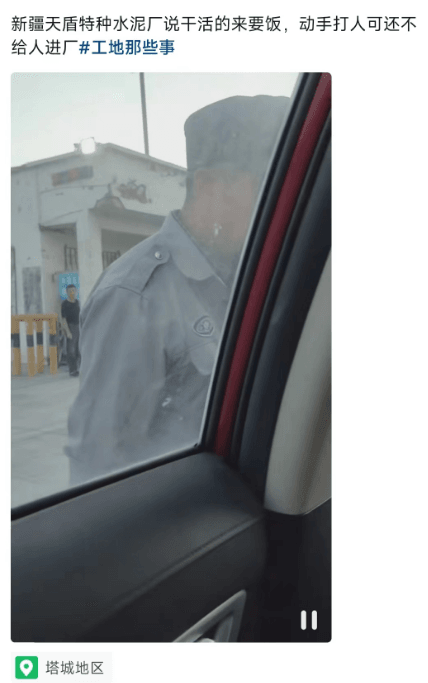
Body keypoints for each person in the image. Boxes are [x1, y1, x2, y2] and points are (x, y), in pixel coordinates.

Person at [66, 94, 290, 485]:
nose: (279, 208)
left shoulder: (246, 275)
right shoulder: (135, 296)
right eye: (267, 189)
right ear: (211, 185)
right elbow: (98, 468)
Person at [61, 284, 80, 377]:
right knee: (71, 350)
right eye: (70, 291)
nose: (72, 293)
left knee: (78, 350)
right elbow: (63, 319)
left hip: (78, 327)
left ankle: (78, 369)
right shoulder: (65, 304)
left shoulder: (78, 303)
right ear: (67, 292)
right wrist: (68, 332)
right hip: (70, 327)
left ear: (76, 292)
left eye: (74, 291)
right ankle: (72, 370)